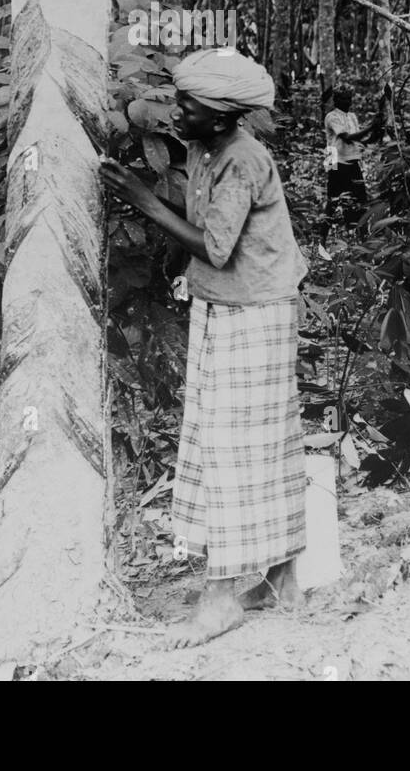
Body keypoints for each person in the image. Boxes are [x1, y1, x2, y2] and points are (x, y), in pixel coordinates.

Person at [100, 48, 308, 647]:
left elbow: (216, 247)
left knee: (236, 449)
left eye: (186, 105)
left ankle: (226, 596)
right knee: (250, 442)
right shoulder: (203, 147)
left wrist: (142, 200)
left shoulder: (243, 158)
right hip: (225, 305)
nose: (175, 111)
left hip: (257, 312)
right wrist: (140, 192)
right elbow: (204, 235)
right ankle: (278, 579)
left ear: (220, 117)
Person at [319, 88, 378, 254]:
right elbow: (347, 137)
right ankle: (321, 243)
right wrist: (372, 126)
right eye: (343, 99)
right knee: (333, 202)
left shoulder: (352, 116)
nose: (347, 102)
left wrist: (375, 132)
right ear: (336, 101)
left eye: (348, 99)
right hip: (334, 160)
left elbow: (357, 139)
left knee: (360, 201)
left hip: (351, 160)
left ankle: (363, 242)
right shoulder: (332, 116)